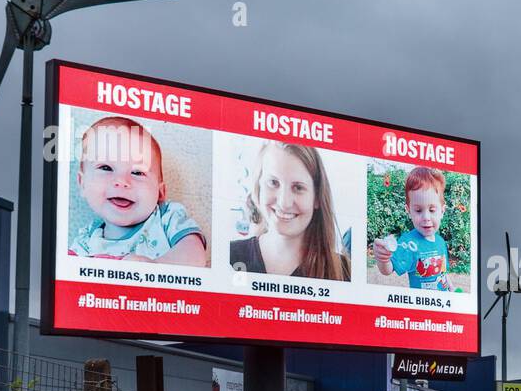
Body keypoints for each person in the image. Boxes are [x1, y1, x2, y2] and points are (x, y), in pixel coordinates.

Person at [70, 116, 207, 265]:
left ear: (160, 193)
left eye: (137, 172)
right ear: (82, 184)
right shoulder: (85, 240)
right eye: (106, 168)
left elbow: (195, 255)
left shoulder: (167, 218)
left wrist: (156, 268)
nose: (121, 181)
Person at [230, 141, 351, 280]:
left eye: (298, 187)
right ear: (258, 187)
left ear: (317, 197)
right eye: (273, 183)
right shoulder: (228, 257)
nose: (284, 203)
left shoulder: (344, 273)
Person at [373, 166, 451, 290]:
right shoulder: (408, 242)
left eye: (432, 210)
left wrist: (451, 289)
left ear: (442, 211)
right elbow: (388, 269)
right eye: (418, 210)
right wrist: (383, 259)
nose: (426, 217)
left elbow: (443, 274)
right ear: (409, 211)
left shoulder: (441, 242)